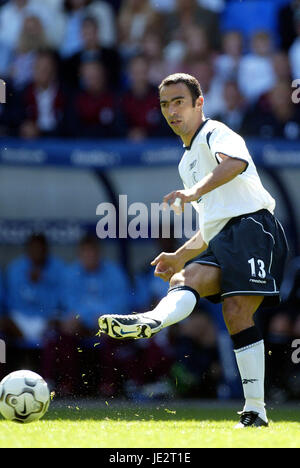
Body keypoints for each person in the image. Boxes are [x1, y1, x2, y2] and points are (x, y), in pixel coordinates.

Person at [98, 73, 289, 428]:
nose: (172, 111)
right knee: (186, 278)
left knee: (235, 311)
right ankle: (151, 321)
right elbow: (210, 226)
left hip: (254, 228)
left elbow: (235, 164)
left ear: (199, 103)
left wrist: (194, 192)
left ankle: (255, 409)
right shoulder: (185, 163)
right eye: (165, 105)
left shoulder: (217, 131)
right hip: (222, 236)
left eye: (179, 102)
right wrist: (178, 256)